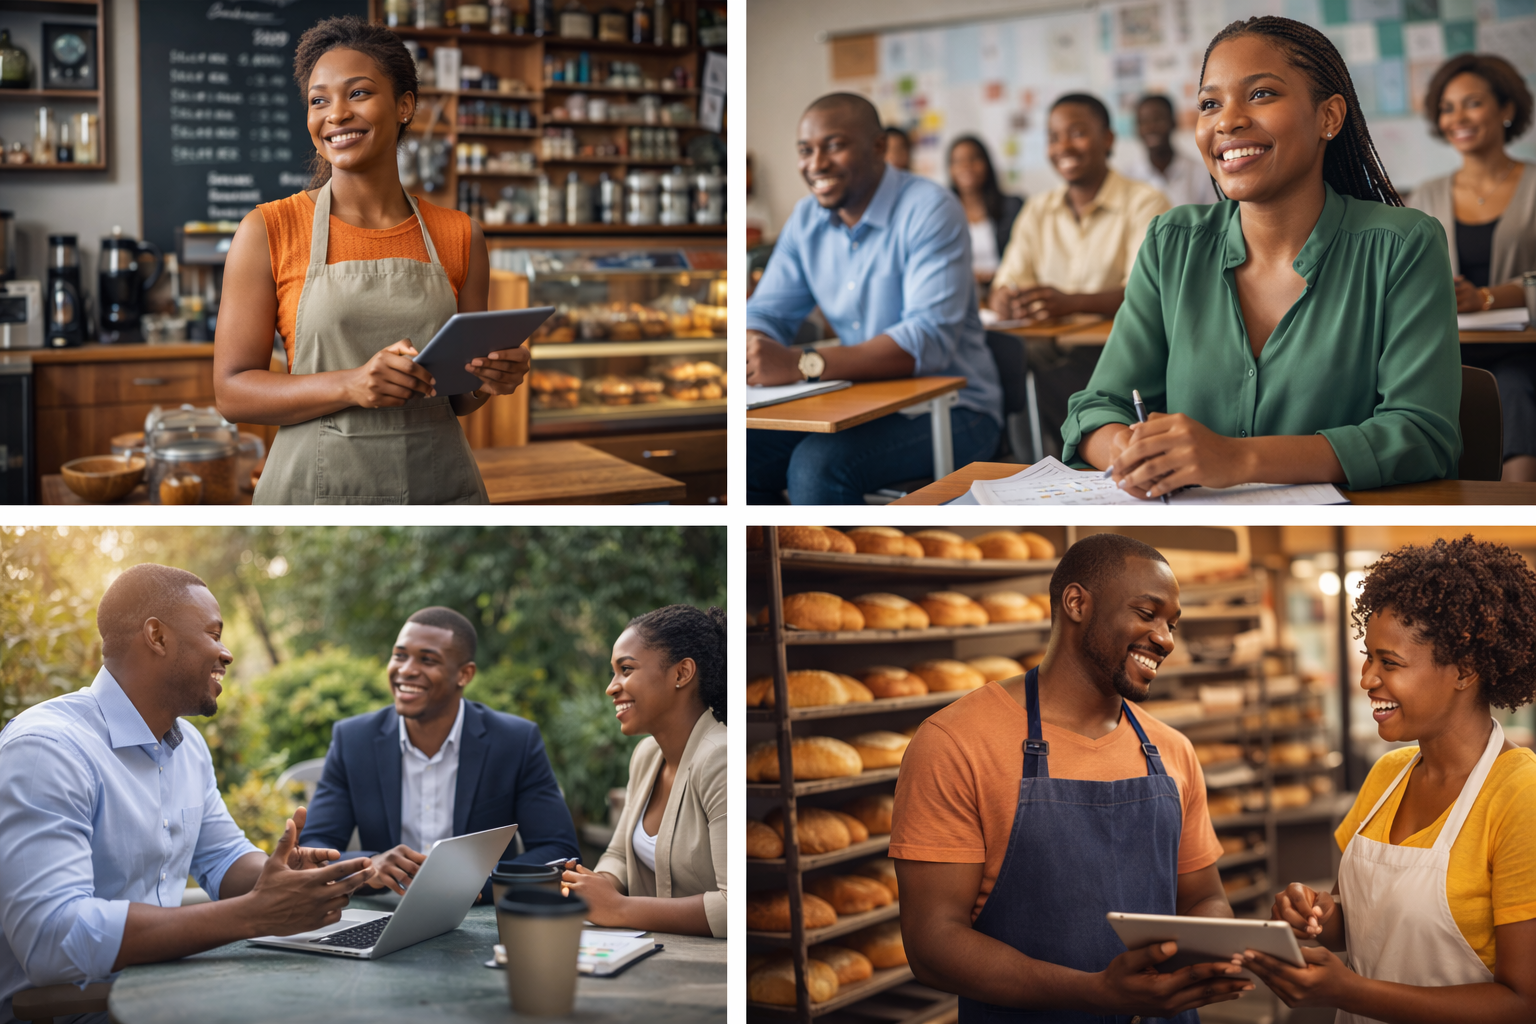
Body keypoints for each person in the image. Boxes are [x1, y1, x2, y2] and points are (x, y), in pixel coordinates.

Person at [1065, 17, 1462, 497]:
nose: (1226, 121)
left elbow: (1422, 435)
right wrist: (1135, 455)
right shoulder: (1172, 241)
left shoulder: (1404, 244)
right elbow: (1097, 406)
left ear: (1329, 118)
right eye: (1210, 104)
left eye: (1261, 95)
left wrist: (1238, 459)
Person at [893, 534, 1252, 1022]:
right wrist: (1096, 992)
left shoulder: (1173, 751)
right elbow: (932, 942)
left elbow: (1204, 896)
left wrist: (1212, 953)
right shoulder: (955, 742)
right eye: (1147, 614)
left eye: (1171, 623)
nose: (1166, 639)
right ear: (1077, 603)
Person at [0, 565, 376, 1023]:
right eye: (213, 634)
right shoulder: (47, 750)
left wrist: (283, 876)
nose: (227, 654)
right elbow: (52, 941)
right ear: (156, 636)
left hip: (168, 992)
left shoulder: (187, 747)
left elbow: (221, 857)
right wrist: (254, 915)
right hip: (77, 1010)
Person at [214, 17, 531, 504]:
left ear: (405, 106)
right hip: (313, 493)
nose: (335, 114)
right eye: (319, 100)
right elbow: (233, 393)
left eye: (358, 93)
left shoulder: (461, 234)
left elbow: (461, 400)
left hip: (439, 491)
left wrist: (490, 379)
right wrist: (351, 384)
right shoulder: (268, 230)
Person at [1240, 536, 1536, 1023]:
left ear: (1464, 670)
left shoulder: (1518, 796)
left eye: (1390, 663)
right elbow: (1357, 920)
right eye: (1368, 657)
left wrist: (1351, 992)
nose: (1366, 679)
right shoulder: (1388, 776)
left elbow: (1523, 1003)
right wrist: (1314, 915)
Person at [744, 93, 1002, 504]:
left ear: (879, 147)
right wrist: (753, 346)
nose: (816, 164)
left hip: (956, 408)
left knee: (816, 467)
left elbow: (926, 341)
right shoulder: (805, 219)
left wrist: (799, 363)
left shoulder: (931, 209)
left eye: (835, 145)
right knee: (741, 454)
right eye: (806, 150)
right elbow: (765, 311)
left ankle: (846, 564)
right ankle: (779, 561)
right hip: (857, 404)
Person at [300, 607, 578, 904]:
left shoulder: (515, 741)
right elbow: (313, 850)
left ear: (464, 674)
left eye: (427, 659)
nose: (406, 669)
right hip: (383, 912)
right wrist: (372, 866)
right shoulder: (353, 740)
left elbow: (558, 849)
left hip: (479, 914)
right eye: (399, 655)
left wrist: (471, 881)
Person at [989, 94, 1170, 453]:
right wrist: (1006, 300)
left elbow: (1146, 293)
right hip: (1047, 350)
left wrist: (1069, 303)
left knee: (1048, 382)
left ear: (1108, 139)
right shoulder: (1037, 210)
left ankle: (1065, 466)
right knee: (999, 357)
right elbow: (1005, 283)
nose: (1063, 147)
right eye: (1053, 137)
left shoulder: (1146, 203)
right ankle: (1028, 467)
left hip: (1113, 351)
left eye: (1077, 133)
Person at [559, 605, 727, 938]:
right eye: (613, 672)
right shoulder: (648, 755)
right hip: (650, 955)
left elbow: (735, 906)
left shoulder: (721, 759)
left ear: (681, 674)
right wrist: (589, 889)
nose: (612, 687)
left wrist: (618, 908)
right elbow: (619, 853)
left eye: (626, 669)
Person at [1407, 54, 1536, 482]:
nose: (1457, 117)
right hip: (1446, 347)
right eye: (1447, 107)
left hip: (1522, 348)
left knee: (1512, 388)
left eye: (1472, 103)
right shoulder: (1424, 196)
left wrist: (1485, 298)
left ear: (1507, 109)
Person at [947, 135, 1024, 289]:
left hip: (1006, 288)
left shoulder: (1012, 206)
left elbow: (1024, 257)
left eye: (974, 159)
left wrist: (999, 275)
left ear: (987, 164)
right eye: (958, 161)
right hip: (960, 290)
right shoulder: (943, 213)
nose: (966, 166)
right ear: (950, 169)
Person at [1122, 94, 1220, 207]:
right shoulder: (1128, 178)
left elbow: (1214, 218)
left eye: (1158, 119)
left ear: (1173, 122)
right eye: (1143, 122)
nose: (1151, 127)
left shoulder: (1200, 174)